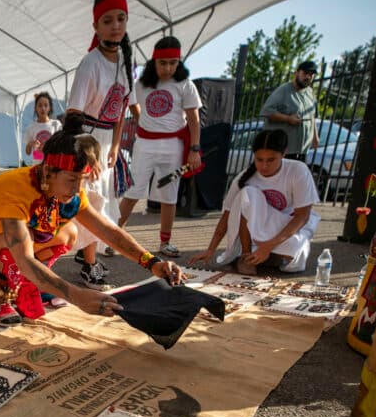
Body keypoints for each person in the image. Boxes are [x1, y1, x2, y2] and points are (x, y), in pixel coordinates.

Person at [0, 116, 183, 327]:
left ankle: (30, 283)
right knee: (19, 238)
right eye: (72, 180)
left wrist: (151, 262)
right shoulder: (15, 192)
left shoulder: (66, 191)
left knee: (69, 232)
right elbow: (25, 260)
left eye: (83, 180)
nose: (77, 190)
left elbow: (107, 230)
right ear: (47, 171)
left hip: (3, 256)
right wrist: (76, 295)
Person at [66, 0, 138, 290]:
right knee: (91, 203)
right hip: (88, 140)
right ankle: (90, 264)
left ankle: (88, 256)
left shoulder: (126, 62)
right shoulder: (90, 64)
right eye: (107, 20)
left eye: (120, 19)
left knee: (104, 201)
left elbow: (122, 109)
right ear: (96, 26)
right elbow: (72, 116)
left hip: (108, 143)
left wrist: (118, 146)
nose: (115, 26)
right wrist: (88, 154)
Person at [188, 129, 320, 275]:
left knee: (294, 254)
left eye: (271, 160)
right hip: (257, 229)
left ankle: (269, 256)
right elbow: (227, 215)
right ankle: (246, 255)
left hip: (288, 226)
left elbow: (302, 217)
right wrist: (211, 249)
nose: (264, 166)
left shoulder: (298, 170)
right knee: (248, 194)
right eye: (259, 159)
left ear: (283, 154)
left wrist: (268, 247)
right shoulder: (244, 178)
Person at [117, 37, 201, 258]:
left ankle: (165, 242)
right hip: (144, 144)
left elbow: (194, 118)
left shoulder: (185, 85)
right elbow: (132, 104)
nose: (167, 68)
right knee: (133, 190)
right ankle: (114, 237)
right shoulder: (142, 84)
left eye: (173, 62)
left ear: (179, 62)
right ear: (154, 62)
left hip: (173, 146)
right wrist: (141, 119)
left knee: (168, 195)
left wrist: (194, 149)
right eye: (162, 63)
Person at [260, 60, 320, 161]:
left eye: (311, 75)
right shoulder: (284, 90)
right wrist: (288, 119)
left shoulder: (310, 93)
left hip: (303, 151)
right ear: (296, 73)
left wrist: (315, 137)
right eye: (305, 73)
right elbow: (267, 111)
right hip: (283, 151)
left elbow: (312, 117)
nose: (308, 77)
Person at [22, 92, 62, 165]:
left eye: (46, 105)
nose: (43, 108)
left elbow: (61, 145)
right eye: (40, 105)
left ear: (50, 108)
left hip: (52, 164)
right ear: (36, 108)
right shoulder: (31, 127)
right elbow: (28, 152)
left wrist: (48, 146)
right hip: (37, 164)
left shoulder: (56, 124)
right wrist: (31, 144)